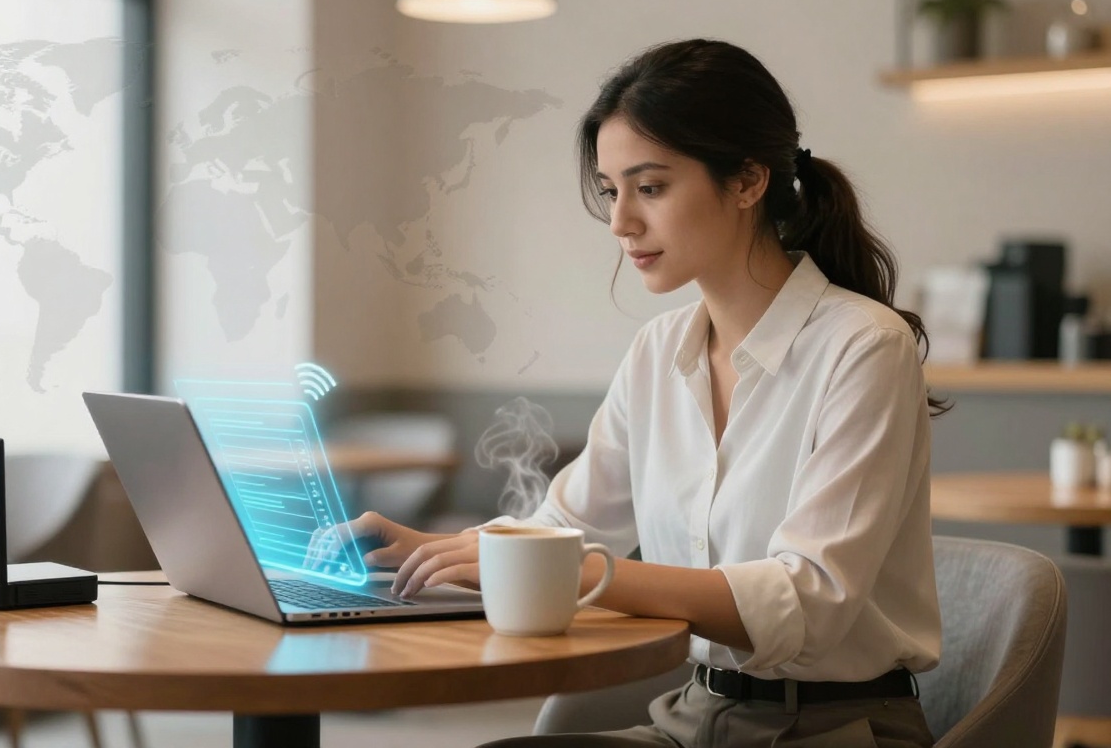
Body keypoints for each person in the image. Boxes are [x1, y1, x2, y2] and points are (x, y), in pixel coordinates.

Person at [329, 39, 946, 748]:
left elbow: (807, 604)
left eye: (649, 188)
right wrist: (433, 550)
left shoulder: (863, 347)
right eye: (611, 189)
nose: (621, 222)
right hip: (693, 717)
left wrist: (583, 572)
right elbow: (569, 526)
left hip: (839, 729)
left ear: (748, 180)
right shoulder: (658, 354)